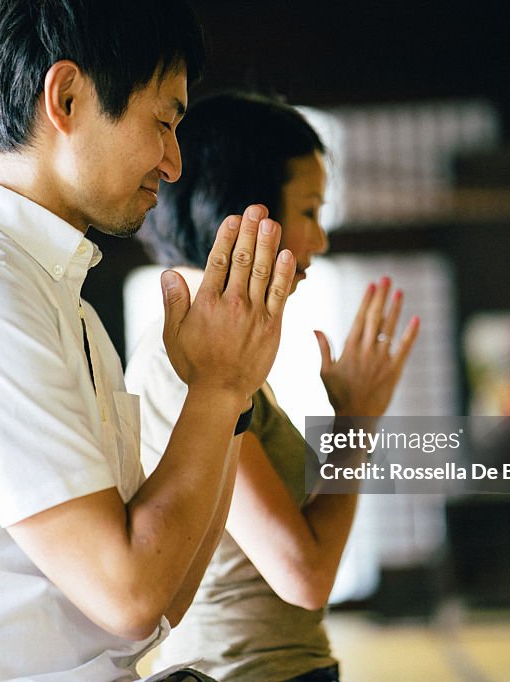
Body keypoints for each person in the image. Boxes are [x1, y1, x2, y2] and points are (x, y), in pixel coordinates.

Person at [0, 4, 299, 680]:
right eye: (164, 122)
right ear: (68, 97)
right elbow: (130, 593)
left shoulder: (58, 306)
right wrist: (217, 388)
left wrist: (224, 404)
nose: (172, 163)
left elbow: (162, 594)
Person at [126, 93, 420, 682]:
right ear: (245, 213)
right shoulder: (185, 362)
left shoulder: (213, 357)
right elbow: (304, 575)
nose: (321, 238)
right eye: (310, 210)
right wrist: (355, 425)